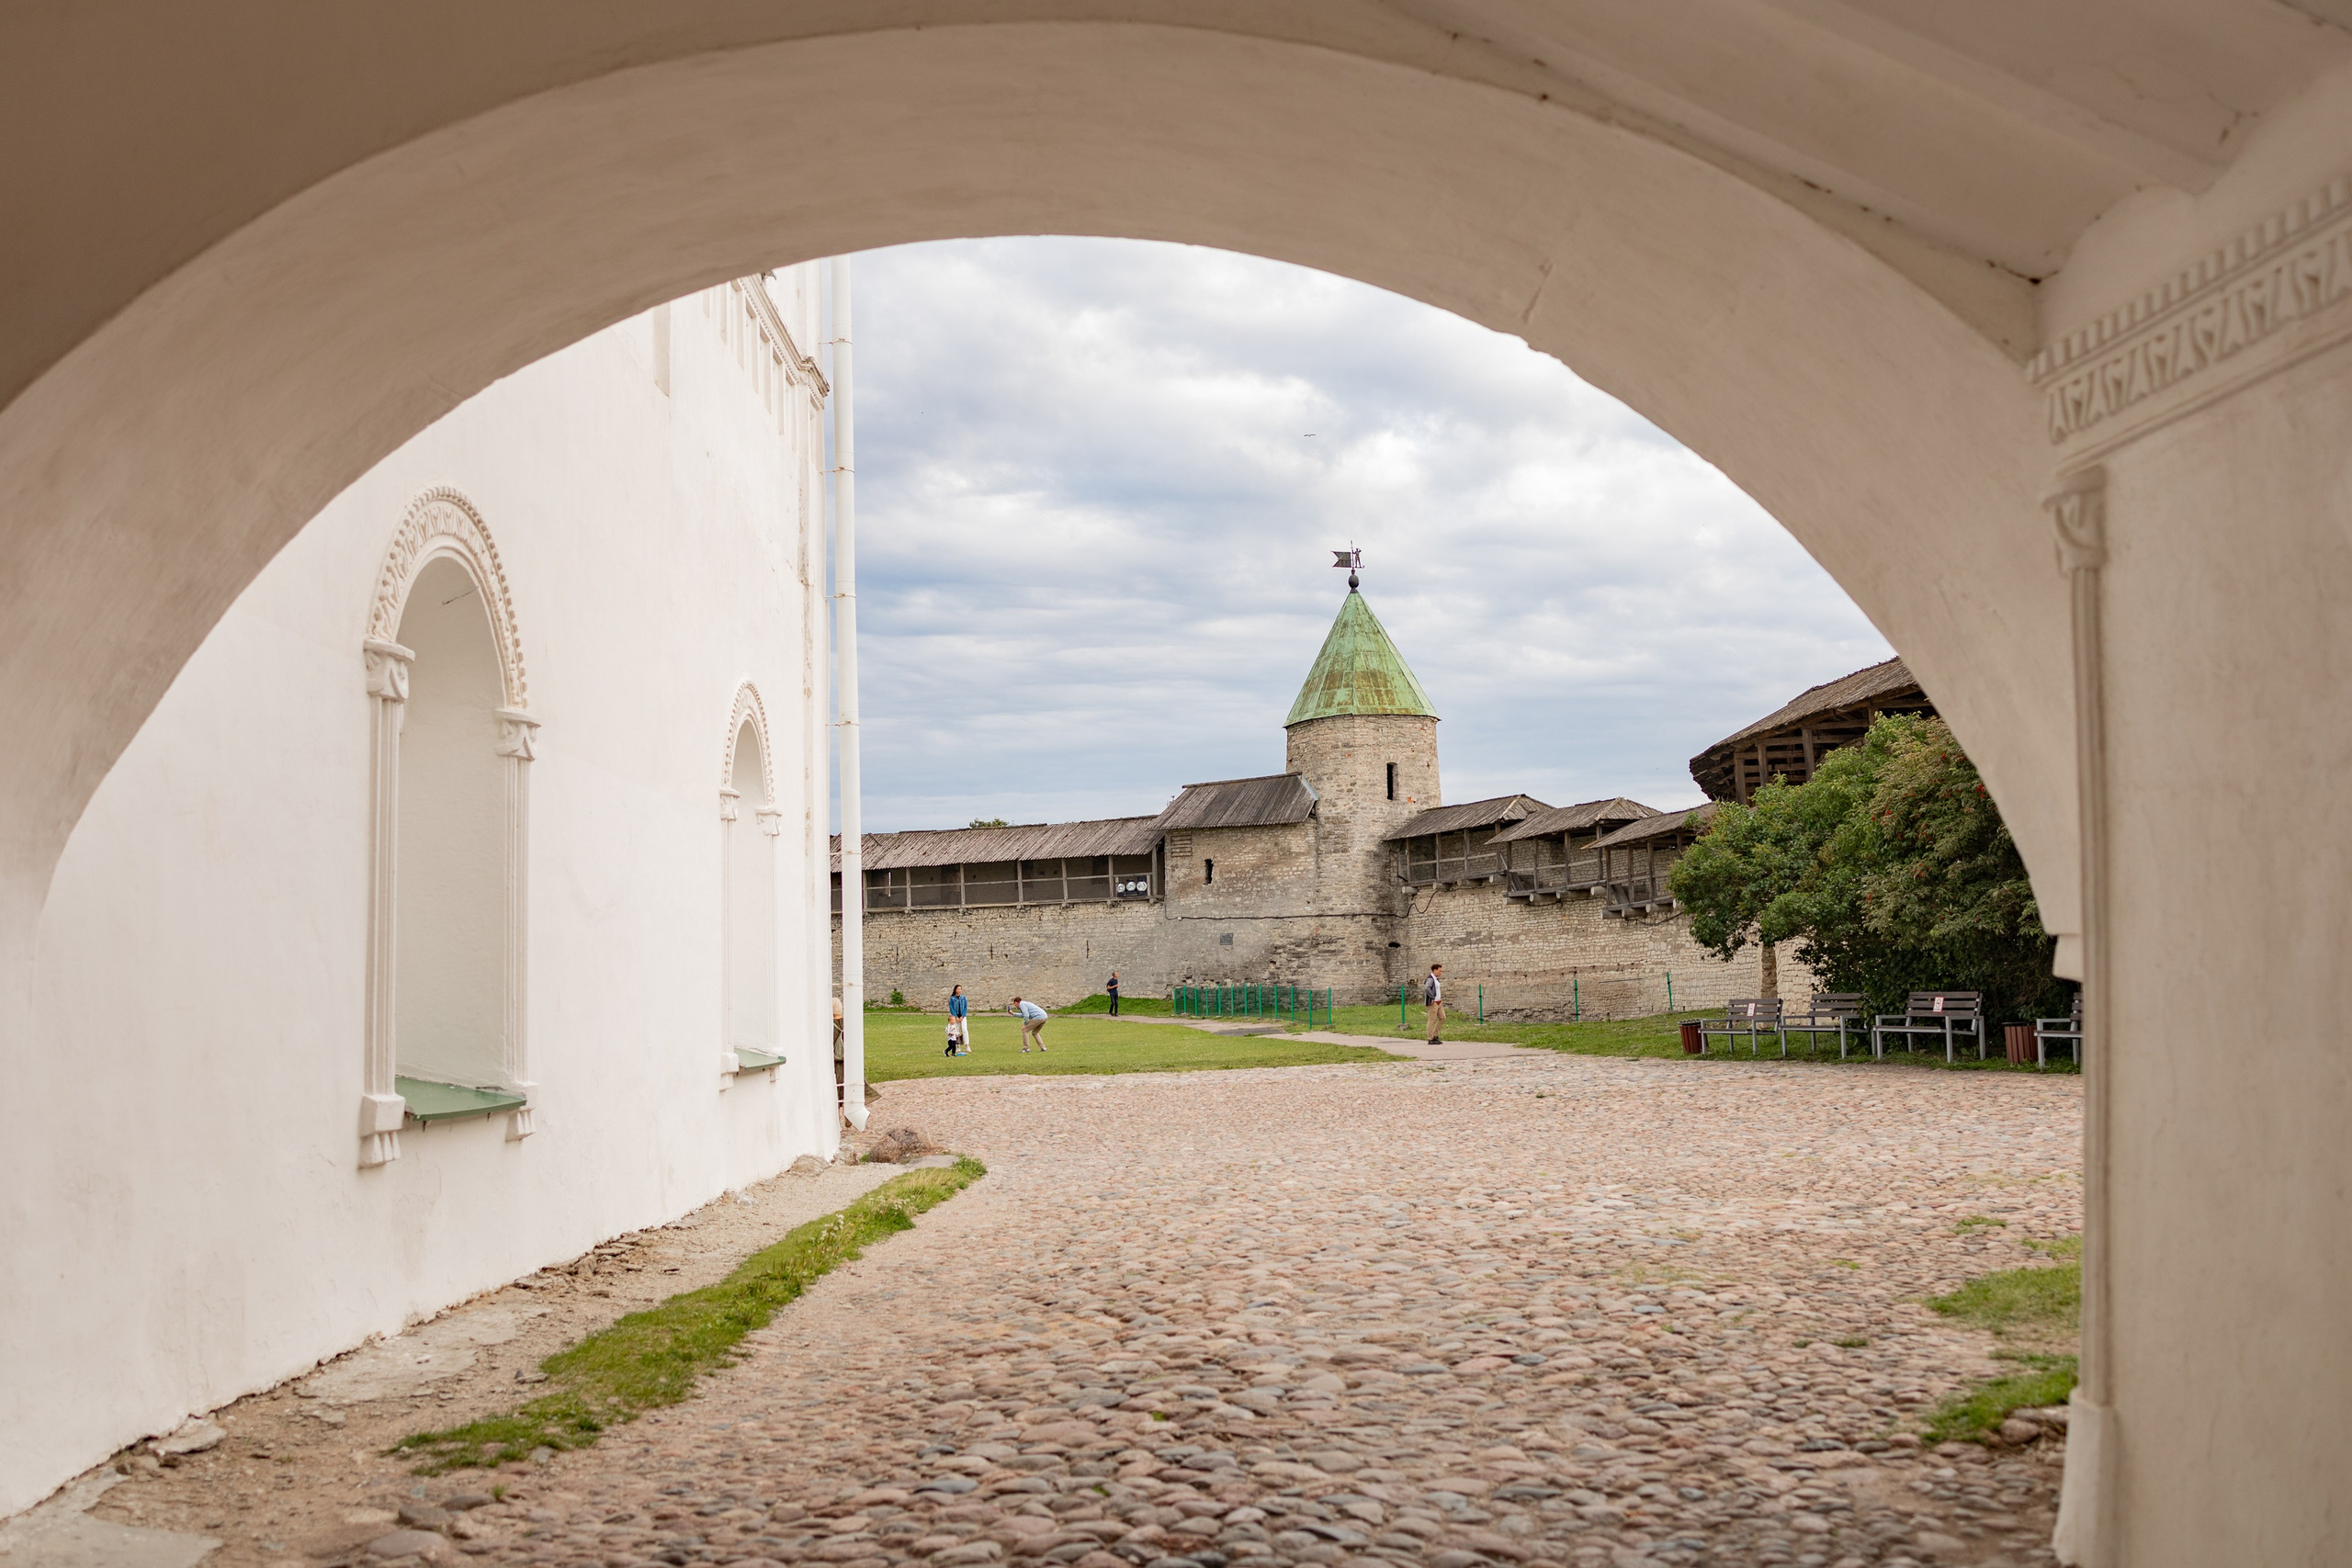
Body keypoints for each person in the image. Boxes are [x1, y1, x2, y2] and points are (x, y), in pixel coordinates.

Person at [1423, 963, 1445, 1044]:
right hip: (1433, 1002)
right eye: (1439, 971)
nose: (1440, 973)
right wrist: (1432, 997)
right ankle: (1430, 1038)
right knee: (1432, 1020)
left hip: (1439, 1002)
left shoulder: (1436, 979)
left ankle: (1435, 1035)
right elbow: (1427, 988)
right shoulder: (1430, 979)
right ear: (1435, 970)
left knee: (1442, 1017)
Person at [946, 984, 971, 1055]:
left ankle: (967, 1045)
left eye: (960, 989)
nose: (959, 990)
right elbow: (951, 1008)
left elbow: (966, 1007)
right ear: (955, 990)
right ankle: (958, 1046)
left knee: (964, 1029)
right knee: (956, 1030)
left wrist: (962, 1016)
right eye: (958, 989)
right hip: (955, 1017)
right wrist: (955, 1016)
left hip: (962, 1016)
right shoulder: (952, 998)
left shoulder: (963, 998)